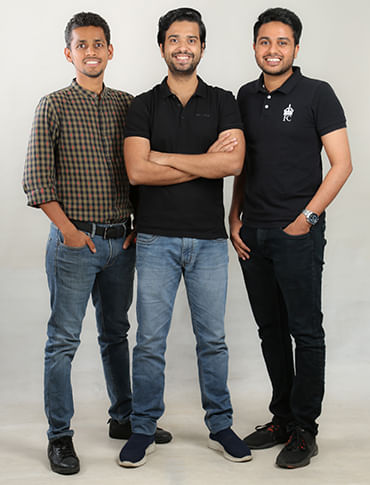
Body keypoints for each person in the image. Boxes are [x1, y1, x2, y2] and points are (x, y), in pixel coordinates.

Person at [21, 12, 172, 476]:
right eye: (82, 45)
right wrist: (69, 231)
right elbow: (36, 178)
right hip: (74, 242)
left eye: (98, 44)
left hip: (120, 243)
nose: (91, 52)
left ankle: (123, 417)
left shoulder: (127, 105)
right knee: (63, 341)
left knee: (116, 334)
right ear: (69, 53)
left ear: (110, 50)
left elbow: (139, 171)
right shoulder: (53, 105)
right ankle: (59, 436)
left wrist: (136, 225)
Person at [117, 7, 252, 468]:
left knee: (212, 340)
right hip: (155, 239)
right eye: (174, 39)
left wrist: (164, 157)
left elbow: (232, 164)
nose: (182, 47)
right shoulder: (143, 105)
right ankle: (142, 428)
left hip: (209, 242)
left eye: (191, 39)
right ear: (162, 48)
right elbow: (137, 171)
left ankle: (220, 425)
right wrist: (201, 161)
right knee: (149, 342)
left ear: (202, 47)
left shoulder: (224, 101)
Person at [229, 7, 353, 470]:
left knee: (306, 331)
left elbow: (342, 164)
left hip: (297, 234)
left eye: (282, 42)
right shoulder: (244, 96)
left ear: (296, 48)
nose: (273, 50)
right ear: (254, 46)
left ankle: (304, 429)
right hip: (252, 234)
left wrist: (307, 218)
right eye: (265, 41)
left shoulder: (318, 94)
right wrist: (234, 217)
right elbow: (243, 165)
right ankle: (281, 418)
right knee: (270, 331)